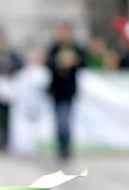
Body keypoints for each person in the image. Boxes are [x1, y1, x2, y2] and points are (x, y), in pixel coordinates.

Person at [46, 22, 85, 163]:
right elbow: (48, 64)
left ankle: (66, 148)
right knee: (59, 121)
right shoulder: (54, 48)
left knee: (65, 120)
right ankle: (61, 148)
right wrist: (58, 62)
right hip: (57, 90)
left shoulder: (75, 48)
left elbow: (84, 62)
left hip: (68, 91)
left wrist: (74, 61)